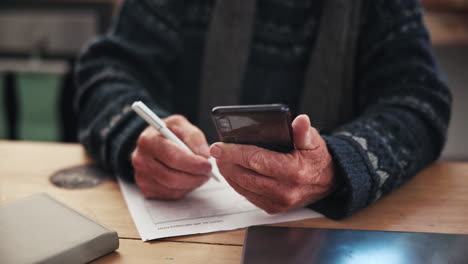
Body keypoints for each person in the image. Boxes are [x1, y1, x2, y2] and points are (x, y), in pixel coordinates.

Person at [74, 0, 451, 219]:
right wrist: (137, 138)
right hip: (186, 233)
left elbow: (418, 102)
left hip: (334, 236)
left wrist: (338, 165)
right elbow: (108, 72)